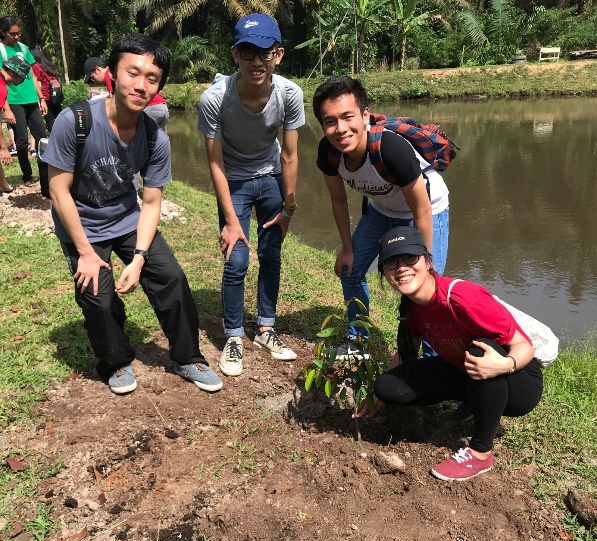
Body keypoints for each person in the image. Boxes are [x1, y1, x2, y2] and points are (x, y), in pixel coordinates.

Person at [42, 34, 222, 395]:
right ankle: (115, 361)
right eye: (133, 73)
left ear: (159, 86)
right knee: (97, 295)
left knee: (170, 277)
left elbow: (151, 201)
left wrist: (139, 258)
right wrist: (87, 253)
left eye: (152, 78)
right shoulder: (73, 121)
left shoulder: (155, 137)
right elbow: (58, 192)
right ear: (111, 73)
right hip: (81, 225)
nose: (141, 85)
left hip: (126, 218)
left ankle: (187, 357)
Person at [358, 226, 543, 481]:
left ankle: (480, 453)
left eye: (410, 258)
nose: (401, 267)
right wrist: (377, 394)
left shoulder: (464, 299)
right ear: (385, 273)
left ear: (428, 262)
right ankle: (475, 397)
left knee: (479, 350)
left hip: (519, 381)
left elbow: (525, 347)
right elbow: (406, 355)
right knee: (387, 386)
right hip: (464, 370)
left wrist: (503, 365)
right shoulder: (412, 307)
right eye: (391, 262)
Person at [197, 13, 304, 377]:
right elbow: (214, 163)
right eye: (248, 52)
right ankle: (233, 336)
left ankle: (266, 329)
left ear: (278, 54)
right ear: (235, 55)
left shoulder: (290, 94)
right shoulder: (215, 98)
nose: (256, 61)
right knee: (237, 259)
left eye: (265, 53)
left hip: (271, 177)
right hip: (235, 182)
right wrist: (229, 219)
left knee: (271, 253)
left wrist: (289, 206)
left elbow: (289, 154)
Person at [313, 76, 450, 358]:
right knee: (350, 271)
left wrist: (421, 260)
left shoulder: (390, 149)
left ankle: (432, 358)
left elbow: (421, 210)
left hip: (426, 209)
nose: (340, 129)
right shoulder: (328, 153)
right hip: (381, 210)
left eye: (348, 117)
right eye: (329, 121)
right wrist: (347, 249)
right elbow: (338, 200)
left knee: (425, 287)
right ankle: (358, 339)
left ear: (364, 115)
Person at [0, 16, 47, 186]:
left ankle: (46, 175)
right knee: (21, 139)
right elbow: (0, 81)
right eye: (12, 34)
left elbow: (33, 75)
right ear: (3, 33)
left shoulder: (24, 48)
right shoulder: (1, 50)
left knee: (42, 137)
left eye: (18, 33)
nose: (16, 37)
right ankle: (27, 175)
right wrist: (7, 108)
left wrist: (41, 98)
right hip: (14, 100)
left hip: (31, 99)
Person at [84, 55, 169, 130]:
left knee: (140, 138)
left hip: (150, 108)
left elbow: (112, 98)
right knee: (158, 140)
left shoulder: (110, 74)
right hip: (162, 107)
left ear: (97, 70)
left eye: (92, 77)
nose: (94, 81)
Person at [0, 54, 31, 192]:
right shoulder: (1, 87)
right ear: (13, 72)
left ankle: (4, 185)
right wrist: (3, 148)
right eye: (22, 76)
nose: (23, 80)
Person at [30, 45, 62, 132]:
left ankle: (54, 139)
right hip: (55, 95)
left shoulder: (35, 66)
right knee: (60, 117)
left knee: (50, 120)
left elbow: (38, 83)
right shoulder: (47, 63)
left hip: (46, 96)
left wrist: (39, 99)